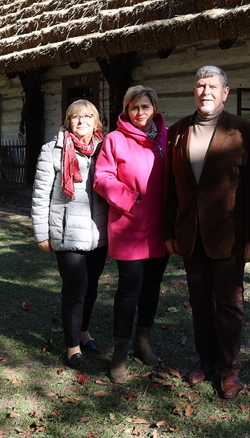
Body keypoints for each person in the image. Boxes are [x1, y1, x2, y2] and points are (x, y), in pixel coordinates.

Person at [163, 66, 250, 399]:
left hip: (229, 234)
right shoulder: (178, 131)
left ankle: (229, 368)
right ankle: (206, 361)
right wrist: (170, 229)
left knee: (229, 303)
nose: (205, 92)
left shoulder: (243, 130)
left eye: (212, 86)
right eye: (200, 86)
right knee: (199, 301)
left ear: (225, 92)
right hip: (189, 233)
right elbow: (171, 186)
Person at [94, 86, 169, 383]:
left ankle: (143, 341)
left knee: (152, 286)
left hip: (160, 225)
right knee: (129, 288)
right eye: (134, 107)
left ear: (154, 109)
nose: (140, 112)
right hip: (129, 224)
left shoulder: (167, 137)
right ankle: (120, 351)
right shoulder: (114, 139)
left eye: (145, 107)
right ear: (126, 109)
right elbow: (102, 177)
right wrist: (129, 198)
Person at [31, 99, 109, 370]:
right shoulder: (52, 150)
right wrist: (42, 233)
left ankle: (84, 331)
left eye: (88, 116)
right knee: (75, 290)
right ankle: (72, 346)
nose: (81, 121)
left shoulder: (105, 149)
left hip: (98, 231)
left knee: (92, 288)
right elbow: (40, 195)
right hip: (67, 233)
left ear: (96, 121)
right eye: (76, 116)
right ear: (68, 121)